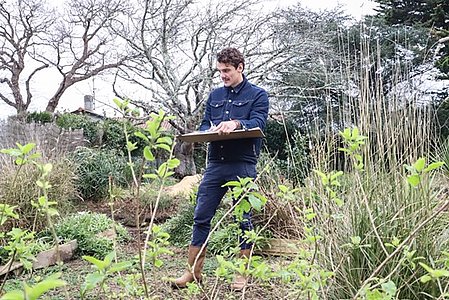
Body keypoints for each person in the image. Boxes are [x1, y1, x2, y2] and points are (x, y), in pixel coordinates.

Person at [172, 47, 269, 290]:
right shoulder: (214, 96)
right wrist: (208, 130)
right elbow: (205, 124)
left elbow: (258, 122)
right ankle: (193, 273)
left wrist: (236, 123)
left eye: (227, 71)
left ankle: (241, 274)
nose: (223, 75)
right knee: (201, 216)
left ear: (240, 68)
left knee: (243, 218)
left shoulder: (258, 95)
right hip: (215, 165)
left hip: (243, 165)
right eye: (220, 71)